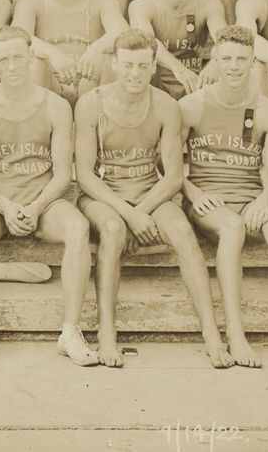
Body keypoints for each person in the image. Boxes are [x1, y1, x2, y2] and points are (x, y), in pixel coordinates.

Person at [74, 29, 234, 368]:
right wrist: (130, 216)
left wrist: (142, 211)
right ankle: (106, 332)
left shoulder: (165, 105)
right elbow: (86, 176)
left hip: (150, 192)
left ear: (154, 66)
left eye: (143, 66)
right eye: (128, 65)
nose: (135, 74)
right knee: (114, 229)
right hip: (104, 195)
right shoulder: (91, 103)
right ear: (115, 64)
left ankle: (211, 332)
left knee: (181, 231)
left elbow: (174, 176)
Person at [180, 25, 268, 369]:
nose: (233, 66)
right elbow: (169, 165)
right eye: (226, 58)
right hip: (209, 202)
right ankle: (236, 334)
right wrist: (192, 191)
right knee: (231, 227)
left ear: (252, 61)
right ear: (214, 59)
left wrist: (265, 200)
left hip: (249, 198)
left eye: (241, 59)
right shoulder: (191, 106)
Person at [0, 27, 99, 366]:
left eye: (18, 57)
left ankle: (71, 331)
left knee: (78, 228)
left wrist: (35, 207)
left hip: (45, 200)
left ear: (31, 57)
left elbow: (64, 173)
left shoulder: (56, 106)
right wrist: (6, 206)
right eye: (3, 59)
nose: (12, 66)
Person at [12, 0, 128, 105]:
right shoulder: (31, 1)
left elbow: (122, 33)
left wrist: (96, 49)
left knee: (107, 61)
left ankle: (96, 123)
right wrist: (53, 54)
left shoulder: (102, 0)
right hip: (49, 82)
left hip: (88, 78)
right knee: (35, 63)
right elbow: (18, 37)